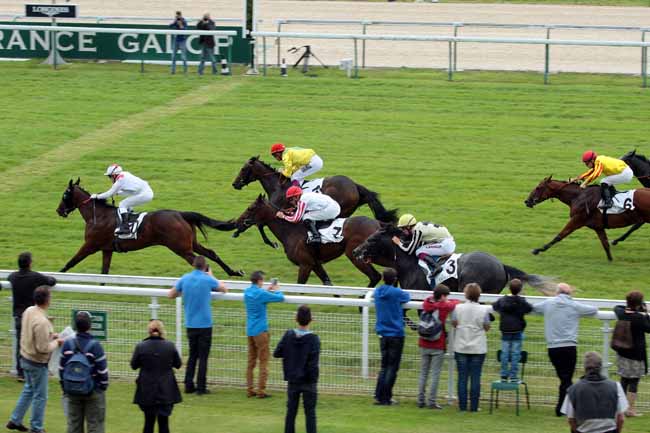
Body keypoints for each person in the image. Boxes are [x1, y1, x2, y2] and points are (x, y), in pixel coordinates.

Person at [533, 283, 598, 416]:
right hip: (569, 347)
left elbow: (533, 308)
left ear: (557, 292)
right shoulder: (574, 305)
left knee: (564, 378)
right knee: (566, 379)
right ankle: (564, 408)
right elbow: (593, 310)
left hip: (553, 348)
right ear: (569, 294)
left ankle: (565, 407)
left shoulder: (548, 303)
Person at [6, 286, 64, 433]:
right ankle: (36, 427)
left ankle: (15, 420)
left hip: (25, 357)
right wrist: (57, 342)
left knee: (29, 389)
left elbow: (34, 334)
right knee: (41, 396)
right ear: (47, 300)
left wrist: (51, 336)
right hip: (36, 363)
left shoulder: (29, 310)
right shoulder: (42, 321)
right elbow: (43, 348)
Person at [168, 256, 228, 395]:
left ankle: (188, 385)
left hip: (190, 323)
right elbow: (224, 289)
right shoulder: (207, 279)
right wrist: (211, 275)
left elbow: (171, 295)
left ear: (193, 265)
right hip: (205, 324)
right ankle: (201, 387)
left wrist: (182, 291)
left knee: (192, 356)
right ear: (205, 267)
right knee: (203, 357)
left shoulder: (185, 278)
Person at [8, 252, 56, 381]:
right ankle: (35, 370)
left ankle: (21, 372)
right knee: (35, 343)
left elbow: (9, 277)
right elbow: (51, 281)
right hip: (32, 316)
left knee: (21, 344)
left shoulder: (13, 276)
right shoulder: (35, 277)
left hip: (19, 316)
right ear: (30, 263)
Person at [59, 311, 108, 433]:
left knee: (73, 425)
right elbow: (103, 371)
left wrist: (65, 387)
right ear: (90, 326)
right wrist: (102, 387)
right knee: (95, 426)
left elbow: (61, 369)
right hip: (93, 390)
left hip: (72, 389)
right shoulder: (95, 345)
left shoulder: (67, 344)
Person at [274, 305, 320, 433]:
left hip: (293, 378)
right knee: (310, 413)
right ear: (311, 319)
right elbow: (313, 363)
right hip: (308, 381)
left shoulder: (288, 335)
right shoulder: (314, 339)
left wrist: (291, 352)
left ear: (296, 319)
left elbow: (277, 353)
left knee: (291, 412)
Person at [131, 320, 182, 433]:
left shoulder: (141, 346)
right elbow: (178, 364)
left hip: (147, 389)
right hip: (166, 388)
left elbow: (134, 365)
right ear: (162, 331)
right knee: (164, 423)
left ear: (149, 331)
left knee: (148, 423)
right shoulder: (170, 346)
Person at [561, 352, 628, 433]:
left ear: (584, 367)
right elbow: (621, 419)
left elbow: (571, 419)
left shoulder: (573, 389)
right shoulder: (616, 386)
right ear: (601, 367)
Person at [417, 284, 460, 409]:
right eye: (446, 296)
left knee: (423, 373)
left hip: (423, 342)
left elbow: (432, 300)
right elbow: (455, 303)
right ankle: (431, 401)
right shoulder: (444, 306)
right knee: (435, 374)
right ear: (442, 296)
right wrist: (450, 301)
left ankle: (420, 400)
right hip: (437, 345)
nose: (447, 299)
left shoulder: (427, 303)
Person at [373, 268, 411, 406]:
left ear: (383, 279)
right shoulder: (397, 292)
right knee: (392, 368)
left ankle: (379, 395)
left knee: (384, 366)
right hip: (396, 334)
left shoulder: (377, 291)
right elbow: (407, 297)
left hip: (383, 334)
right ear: (395, 280)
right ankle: (386, 398)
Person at [451, 283, 491, 412]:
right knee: (475, 377)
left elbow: (454, 323)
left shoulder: (458, 308)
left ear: (466, 294)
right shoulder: (484, 310)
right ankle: (474, 406)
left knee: (462, 377)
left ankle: (462, 406)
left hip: (461, 345)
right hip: (478, 347)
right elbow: (487, 326)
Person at [244, 271, 285, 398]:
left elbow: (259, 296)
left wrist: (267, 291)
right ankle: (261, 391)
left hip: (250, 330)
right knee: (263, 361)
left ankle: (250, 389)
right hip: (261, 331)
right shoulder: (261, 294)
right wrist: (277, 289)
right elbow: (280, 298)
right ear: (260, 281)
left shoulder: (247, 292)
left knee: (251, 361)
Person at [613, 290, 650, 417]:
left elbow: (616, 307)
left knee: (624, 380)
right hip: (636, 355)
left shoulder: (621, 313)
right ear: (639, 304)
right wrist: (646, 313)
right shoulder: (640, 318)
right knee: (634, 381)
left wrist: (629, 307)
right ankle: (631, 410)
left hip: (623, 353)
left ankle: (621, 409)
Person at [90, 164, 154, 236]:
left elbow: (109, 193)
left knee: (122, 204)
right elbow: (131, 190)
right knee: (127, 205)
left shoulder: (120, 181)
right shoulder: (124, 174)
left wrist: (97, 196)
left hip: (144, 194)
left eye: (110, 176)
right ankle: (130, 220)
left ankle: (125, 227)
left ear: (114, 175)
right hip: (145, 192)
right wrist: (118, 193)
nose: (110, 178)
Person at [391, 214, 456, 283]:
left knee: (419, 251)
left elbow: (409, 250)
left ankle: (436, 267)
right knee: (422, 247)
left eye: (403, 228)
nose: (402, 231)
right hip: (446, 241)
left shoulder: (417, 230)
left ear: (408, 227)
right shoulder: (419, 226)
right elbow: (419, 243)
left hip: (446, 245)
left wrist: (399, 243)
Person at [492, 278, 533, 383]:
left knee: (505, 353)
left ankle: (503, 375)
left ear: (509, 288)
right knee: (515, 354)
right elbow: (529, 308)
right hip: (517, 330)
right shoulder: (521, 301)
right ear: (520, 289)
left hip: (505, 330)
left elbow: (495, 306)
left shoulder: (503, 300)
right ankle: (514, 376)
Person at [276, 186, 341, 244]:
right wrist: (293, 211)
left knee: (306, 217)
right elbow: (303, 210)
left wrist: (283, 216)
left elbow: (296, 219)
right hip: (333, 206)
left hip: (331, 209)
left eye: (291, 199)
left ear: (296, 196)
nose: (291, 202)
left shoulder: (302, 200)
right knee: (308, 215)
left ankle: (316, 237)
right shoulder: (305, 195)